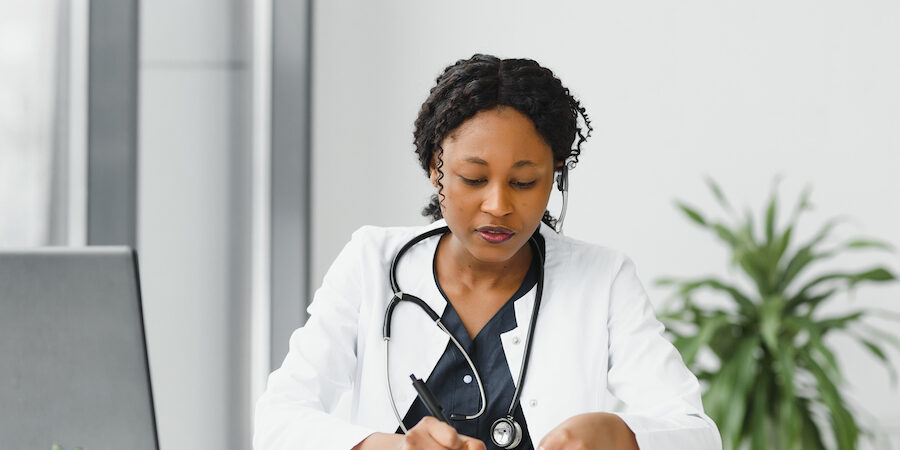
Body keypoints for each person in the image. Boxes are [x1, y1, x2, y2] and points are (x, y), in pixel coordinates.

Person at [254, 54, 722, 450]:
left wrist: (622, 434)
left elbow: (696, 434)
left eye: (524, 182)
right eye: (474, 179)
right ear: (434, 167)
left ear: (555, 174)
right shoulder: (371, 262)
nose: (498, 205)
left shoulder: (603, 278)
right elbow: (277, 420)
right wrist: (390, 446)